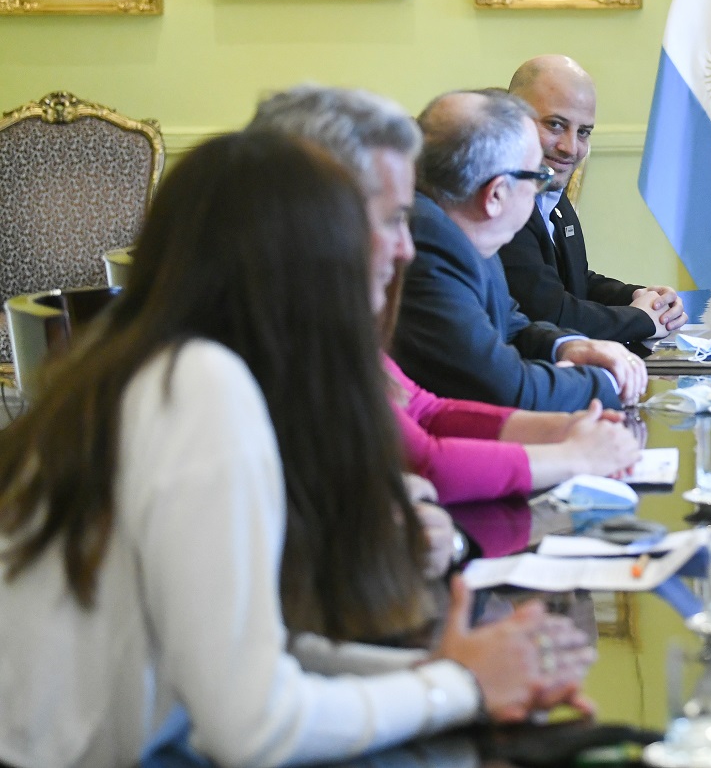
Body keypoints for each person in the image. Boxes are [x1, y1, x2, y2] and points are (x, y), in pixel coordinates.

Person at [0, 132, 593, 767]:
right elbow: (250, 726)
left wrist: (445, 667)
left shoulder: (163, 364)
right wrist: (461, 684)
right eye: (382, 224)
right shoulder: (199, 386)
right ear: (304, 252)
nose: (405, 249)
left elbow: (250, 649)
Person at [249, 85, 641, 504]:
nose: (406, 247)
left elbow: (425, 410)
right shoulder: (287, 325)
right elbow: (426, 459)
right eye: (391, 219)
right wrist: (572, 455)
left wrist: (561, 429)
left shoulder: (325, 309)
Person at [393, 89, 645, 411]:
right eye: (538, 177)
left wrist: (568, 347)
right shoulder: (428, 245)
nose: (540, 191)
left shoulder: (468, 229)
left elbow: (513, 325)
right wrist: (610, 380)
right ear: (496, 194)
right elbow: (509, 388)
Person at [500, 55, 685, 347]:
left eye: (583, 132)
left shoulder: (551, 192)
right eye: (556, 125)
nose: (570, 148)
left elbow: (576, 281)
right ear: (512, 120)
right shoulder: (501, 203)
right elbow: (549, 313)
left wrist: (642, 298)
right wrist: (640, 320)